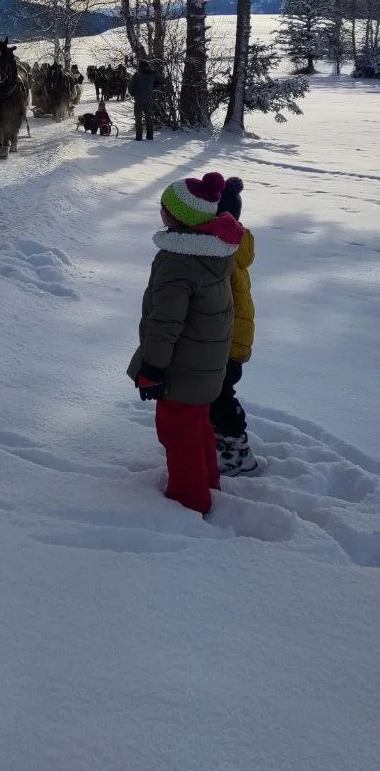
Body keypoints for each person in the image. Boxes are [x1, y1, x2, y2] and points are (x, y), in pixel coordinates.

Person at [128, 171, 244, 516]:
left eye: (165, 207)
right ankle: (208, 482)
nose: (160, 211)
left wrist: (152, 367)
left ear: (177, 217)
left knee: (178, 433)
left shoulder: (178, 262)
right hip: (205, 365)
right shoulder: (214, 250)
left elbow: (166, 322)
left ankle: (189, 502)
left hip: (180, 367)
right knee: (198, 426)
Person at [210, 178, 259, 475]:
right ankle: (222, 440)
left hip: (227, 341)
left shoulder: (223, 252)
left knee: (219, 394)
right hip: (235, 338)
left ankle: (238, 451)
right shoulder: (236, 245)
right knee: (218, 391)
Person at [128, 57, 160, 141]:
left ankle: (139, 137)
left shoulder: (137, 75)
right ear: (147, 66)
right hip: (148, 99)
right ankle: (150, 136)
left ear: (140, 66)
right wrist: (151, 88)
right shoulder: (152, 74)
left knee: (138, 119)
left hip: (138, 99)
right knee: (149, 119)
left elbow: (130, 86)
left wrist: (133, 94)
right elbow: (161, 81)